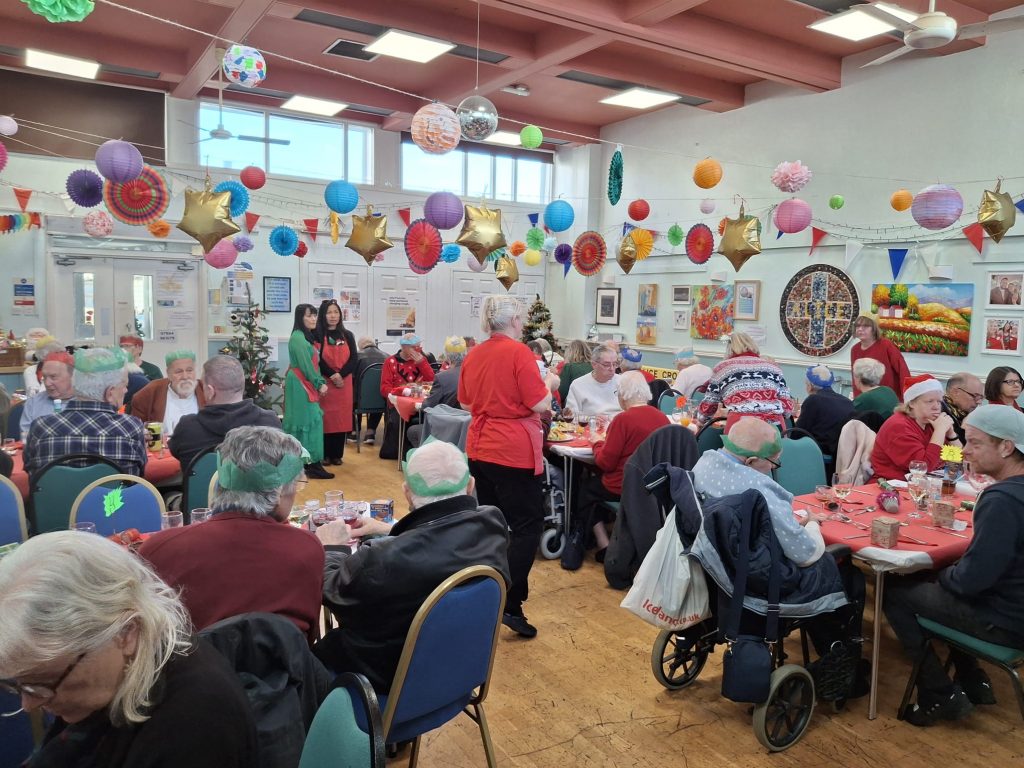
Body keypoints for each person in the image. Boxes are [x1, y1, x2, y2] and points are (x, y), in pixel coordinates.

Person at [0, 531, 257, 767]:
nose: (28, 704)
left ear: (126, 632)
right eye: (21, 685)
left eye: (44, 682)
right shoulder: (109, 680)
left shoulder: (194, 727)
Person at [313, 439, 511, 690]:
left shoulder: (382, 557)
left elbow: (330, 591)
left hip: (388, 683)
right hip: (460, 672)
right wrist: (392, 530)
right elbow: (443, 538)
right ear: (470, 486)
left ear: (406, 492)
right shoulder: (493, 523)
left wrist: (332, 548)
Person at [885, 405, 1024, 726]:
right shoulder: (902, 427)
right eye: (929, 401)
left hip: (1006, 621)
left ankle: (938, 693)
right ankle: (971, 676)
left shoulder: (1003, 499)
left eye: (975, 442)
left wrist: (944, 573)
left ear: (1006, 447)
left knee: (896, 590)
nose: (966, 450)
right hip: (1012, 608)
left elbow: (970, 582)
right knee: (943, 586)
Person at [140, 426, 325, 643]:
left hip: (193, 665)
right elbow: (310, 636)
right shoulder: (305, 548)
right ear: (280, 490)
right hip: (284, 664)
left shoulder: (158, 550)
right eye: (297, 485)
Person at [459, 294, 551, 638]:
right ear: (514, 321)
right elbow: (540, 403)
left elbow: (465, 401)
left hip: (481, 447)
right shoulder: (519, 353)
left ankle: (488, 593)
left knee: (495, 525)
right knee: (527, 528)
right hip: (512, 450)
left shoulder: (474, 353)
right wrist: (550, 384)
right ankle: (510, 603)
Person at [567, 372, 668, 568]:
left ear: (623, 396)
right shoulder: (662, 417)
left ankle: (603, 543)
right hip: (652, 484)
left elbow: (605, 463)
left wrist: (597, 442)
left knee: (586, 489)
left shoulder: (623, 420)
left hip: (623, 485)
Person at [24, 347, 148, 480]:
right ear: (110, 393)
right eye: (124, 386)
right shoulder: (131, 427)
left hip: (55, 494)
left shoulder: (40, 427)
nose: (125, 391)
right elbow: (140, 473)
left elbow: (30, 469)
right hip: (115, 494)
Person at [169, 355, 280, 470]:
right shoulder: (270, 422)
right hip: (254, 483)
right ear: (242, 385)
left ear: (211, 391)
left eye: (203, 386)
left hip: (203, 482)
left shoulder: (187, 427)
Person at [696, 332, 793, 431]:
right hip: (774, 427)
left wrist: (701, 419)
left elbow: (708, 406)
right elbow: (787, 410)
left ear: (729, 349)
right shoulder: (774, 368)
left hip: (740, 427)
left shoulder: (722, 368)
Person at [870, 374, 957, 480]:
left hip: (923, 483)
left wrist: (951, 434)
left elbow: (955, 462)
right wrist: (940, 431)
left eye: (939, 401)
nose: (936, 407)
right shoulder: (899, 426)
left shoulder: (932, 423)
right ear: (911, 403)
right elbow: (923, 466)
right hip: (890, 485)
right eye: (930, 401)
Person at [283, 304, 333, 480]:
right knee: (310, 421)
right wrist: (319, 383)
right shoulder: (298, 338)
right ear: (300, 318)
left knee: (307, 421)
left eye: (314, 315)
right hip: (300, 384)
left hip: (302, 382)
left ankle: (308, 463)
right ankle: (310, 464)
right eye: (309, 316)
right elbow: (306, 366)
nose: (313, 319)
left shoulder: (303, 336)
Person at [378, 333, 435, 460]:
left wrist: (421, 363)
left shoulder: (422, 360)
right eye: (415, 347)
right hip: (397, 404)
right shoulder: (391, 362)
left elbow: (432, 381)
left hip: (420, 403)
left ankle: (425, 452)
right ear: (404, 347)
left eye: (419, 346)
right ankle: (401, 453)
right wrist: (403, 390)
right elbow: (384, 389)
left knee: (430, 416)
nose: (418, 350)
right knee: (398, 420)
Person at [315, 299, 358, 466]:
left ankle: (337, 454)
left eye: (336, 312)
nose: (333, 316)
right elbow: (317, 359)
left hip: (344, 383)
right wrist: (333, 375)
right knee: (326, 419)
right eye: (329, 312)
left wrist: (341, 375)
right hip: (326, 383)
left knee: (341, 418)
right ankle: (325, 454)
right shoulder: (317, 335)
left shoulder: (348, 335)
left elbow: (353, 358)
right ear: (323, 315)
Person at [130, 351, 207, 437]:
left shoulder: (206, 390)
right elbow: (136, 430)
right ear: (168, 374)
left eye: (189, 370)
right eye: (178, 372)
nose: (185, 377)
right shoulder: (150, 392)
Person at [795, 365, 855, 459]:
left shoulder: (813, 400)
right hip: (841, 453)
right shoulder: (847, 401)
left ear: (810, 386)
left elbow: (798, 432)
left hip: (819, 452)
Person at [850, 314, 910, 398]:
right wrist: (857, 399)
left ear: (874, 329)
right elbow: (856, 378)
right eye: (858, 326)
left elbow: (903, 371)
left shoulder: (886, 345)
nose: (860, 329)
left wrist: (907, 397)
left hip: (889, 398)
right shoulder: (855, 349)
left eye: (865, 326)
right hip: (866, 398)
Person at [19, 350, 75, 437]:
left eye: (53, 377)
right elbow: (26, 438)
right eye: (44, 377)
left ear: (72, 376)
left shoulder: (85, 403)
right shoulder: (34, 403)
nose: (47, 383)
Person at [563, 344, 622, 419]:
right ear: (594, 364)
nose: (612, 368)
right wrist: (592, 419)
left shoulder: (622, 382)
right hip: (591, 424)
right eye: (606, 365)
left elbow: (630, 411)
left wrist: (610, 418)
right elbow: (571, 416)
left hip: (618, 423)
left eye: (615, 364)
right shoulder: (578, 385)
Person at [352, 336, 387, 444]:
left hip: (360, 400)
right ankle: (370, 432)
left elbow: (351, 378)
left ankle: (353, 432)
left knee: (352, 394)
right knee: (378, 394)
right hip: (381, 401)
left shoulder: (356, 356)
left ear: (360, 346)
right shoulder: (388, 357)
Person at [942, 372, 984, 444]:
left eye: (981, 397)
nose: (979, 402)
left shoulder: (967, 413)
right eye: (975, 396)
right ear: (955, 392)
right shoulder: (941, 413)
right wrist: (964, 429)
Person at [557, 339, 593, 404]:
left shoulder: (569, 367)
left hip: (575, 405)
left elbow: (561, 393)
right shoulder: (594, 366)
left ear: (569, 353)